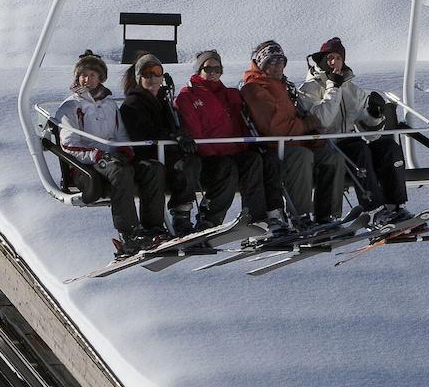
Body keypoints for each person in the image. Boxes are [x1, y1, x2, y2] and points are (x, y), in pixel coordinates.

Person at [50, 50, 166, 250]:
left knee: (153, 168)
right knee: (120, 171)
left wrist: (126, 151)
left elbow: (120, 134)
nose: (87, 79)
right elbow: (69, 144)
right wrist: (95, 154)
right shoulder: (70, 107)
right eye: (83, 75)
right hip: (87, 164)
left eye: (92, 75)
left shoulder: (109, 104)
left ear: (100, 78)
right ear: (77, 78)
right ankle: (129, 231)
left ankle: (154, 227)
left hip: (114, 157)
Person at [299, 36, 410, 215]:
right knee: (359, 150)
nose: (334, 62)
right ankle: (374, 211)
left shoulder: (351, 89)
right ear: (321, 60)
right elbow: (322, 121)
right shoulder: (309, 89)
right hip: (325, 147)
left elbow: (371, 135)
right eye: (329, 58)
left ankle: (396, 206)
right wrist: (333, 87)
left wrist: (374, 116)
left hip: (349, 144)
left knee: (389, 147)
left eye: (338, 58)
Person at [239, 39, 345, 225]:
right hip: (273, 147)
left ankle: (327, 215)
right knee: (301, 156)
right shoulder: (255, 88)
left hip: (292, 140)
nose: (279, 66)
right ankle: (300, 216)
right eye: (273, 62)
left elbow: (292, 118)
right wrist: (305, 125)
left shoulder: (282, 85)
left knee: (331, 156)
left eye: (282, 62)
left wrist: (311, 135)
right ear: (263, 64)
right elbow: (275, 128)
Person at [173, 49, 269, 228]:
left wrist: (249, 145)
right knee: (227, 168)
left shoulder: (230, 95)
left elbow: (242, 124)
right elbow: (194, 131)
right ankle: (210, 218)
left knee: (254, 160)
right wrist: (214, 153)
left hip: (233, 152)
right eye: (208, 69)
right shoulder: (188, 96)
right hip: (209, 157)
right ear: (199, 70)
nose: (213, 74)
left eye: (217, 70)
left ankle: (255, 217)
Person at [119, 53, 203, 236]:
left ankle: (182, 216)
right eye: (147, 73)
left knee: (189, 163)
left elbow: (174, 126)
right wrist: (173, 136)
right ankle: (152, 226)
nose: (153, 78)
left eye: (157, 73)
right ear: (138, 78)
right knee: (155, 171)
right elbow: (143, 133)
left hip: (166, 155)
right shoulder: (132, 104)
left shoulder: (164, 102)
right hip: (145, 158)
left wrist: (181, 135)